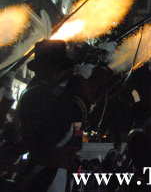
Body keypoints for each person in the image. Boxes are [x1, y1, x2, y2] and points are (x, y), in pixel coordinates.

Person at [15, 39, 113, 191]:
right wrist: (85, 78)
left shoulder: (43, 92)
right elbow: (76, 111)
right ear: (54, 70)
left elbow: (78, 116)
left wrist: (101, 66)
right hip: (45, 174)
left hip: (52, 172)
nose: (68, 72)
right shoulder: (38, 94)